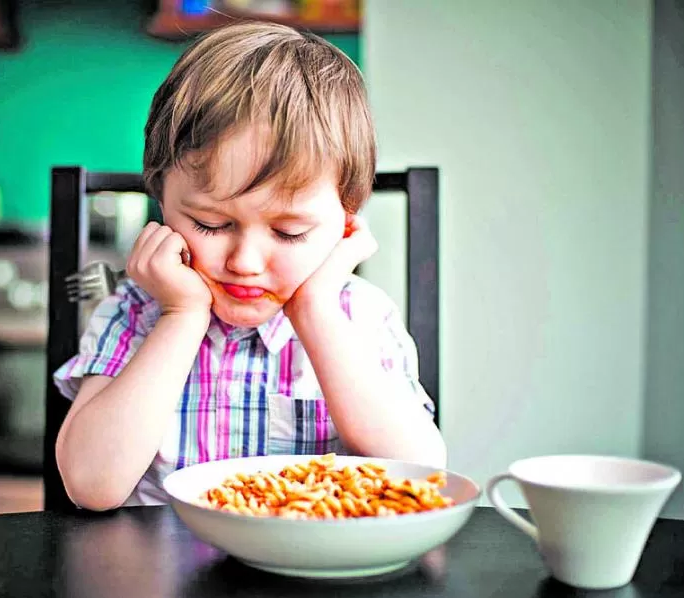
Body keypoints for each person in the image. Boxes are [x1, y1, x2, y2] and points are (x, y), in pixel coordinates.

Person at [53, 21, 446, 511]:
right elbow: (91, 485)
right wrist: (181, 316)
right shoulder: (135, 312)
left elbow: (423, 474)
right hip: (160, 577)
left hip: (316, 576)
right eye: (210, 223)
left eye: (289, 232)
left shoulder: (360, 318)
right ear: (162, 200)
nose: (243, 262)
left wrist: (316, 310)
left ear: (347, 223)